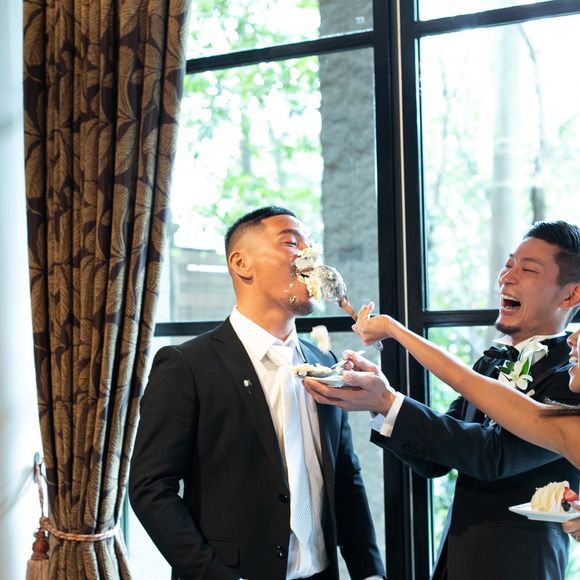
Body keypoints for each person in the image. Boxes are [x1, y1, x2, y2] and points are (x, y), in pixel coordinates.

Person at [304, 220, 580, 580]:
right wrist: (379, 403)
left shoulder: (571, 380)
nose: (506, 278)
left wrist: (390, 398)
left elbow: (492, 456)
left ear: (570, 296)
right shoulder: (491, 362)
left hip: (520, 567)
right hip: (453, 561)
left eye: (527, 270)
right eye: (508, 264)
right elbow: (437, 460)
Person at [129, 206, 386, 580]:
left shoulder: (325, 361)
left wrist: (370, 573)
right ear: (241, 264)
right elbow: (151, 489)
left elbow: (345, 478)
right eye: (292, 243)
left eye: (312, 246)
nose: (310, 256)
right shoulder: (186, 365)